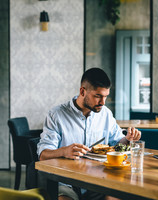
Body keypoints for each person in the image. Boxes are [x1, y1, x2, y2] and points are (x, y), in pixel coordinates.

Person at [37, 67, 141, 200]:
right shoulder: (56, 114)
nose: (102, 103)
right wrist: (64, 151)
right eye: (97, 96)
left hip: (99, 180)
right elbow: (43, 155)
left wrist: (128, 139)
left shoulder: (106, 114)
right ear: (82, 91)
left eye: (105, 97)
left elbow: (118, 141)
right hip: (66, 182)